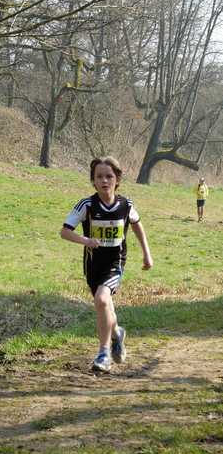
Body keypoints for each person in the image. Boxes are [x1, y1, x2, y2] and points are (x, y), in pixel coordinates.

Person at [60, 157, 153, 373]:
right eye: (99, 177)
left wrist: (147, 254)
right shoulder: (86, 205)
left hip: (115, 262)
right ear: (93, 180)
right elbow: (64, 232)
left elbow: (137, 225)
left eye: (109, 176)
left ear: (117, 179)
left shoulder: (126, 205)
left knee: (102, 300)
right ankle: (117, 332)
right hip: (93, 265)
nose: (104, 181)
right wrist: (86, 240)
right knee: (105, 305)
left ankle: (104, 353)